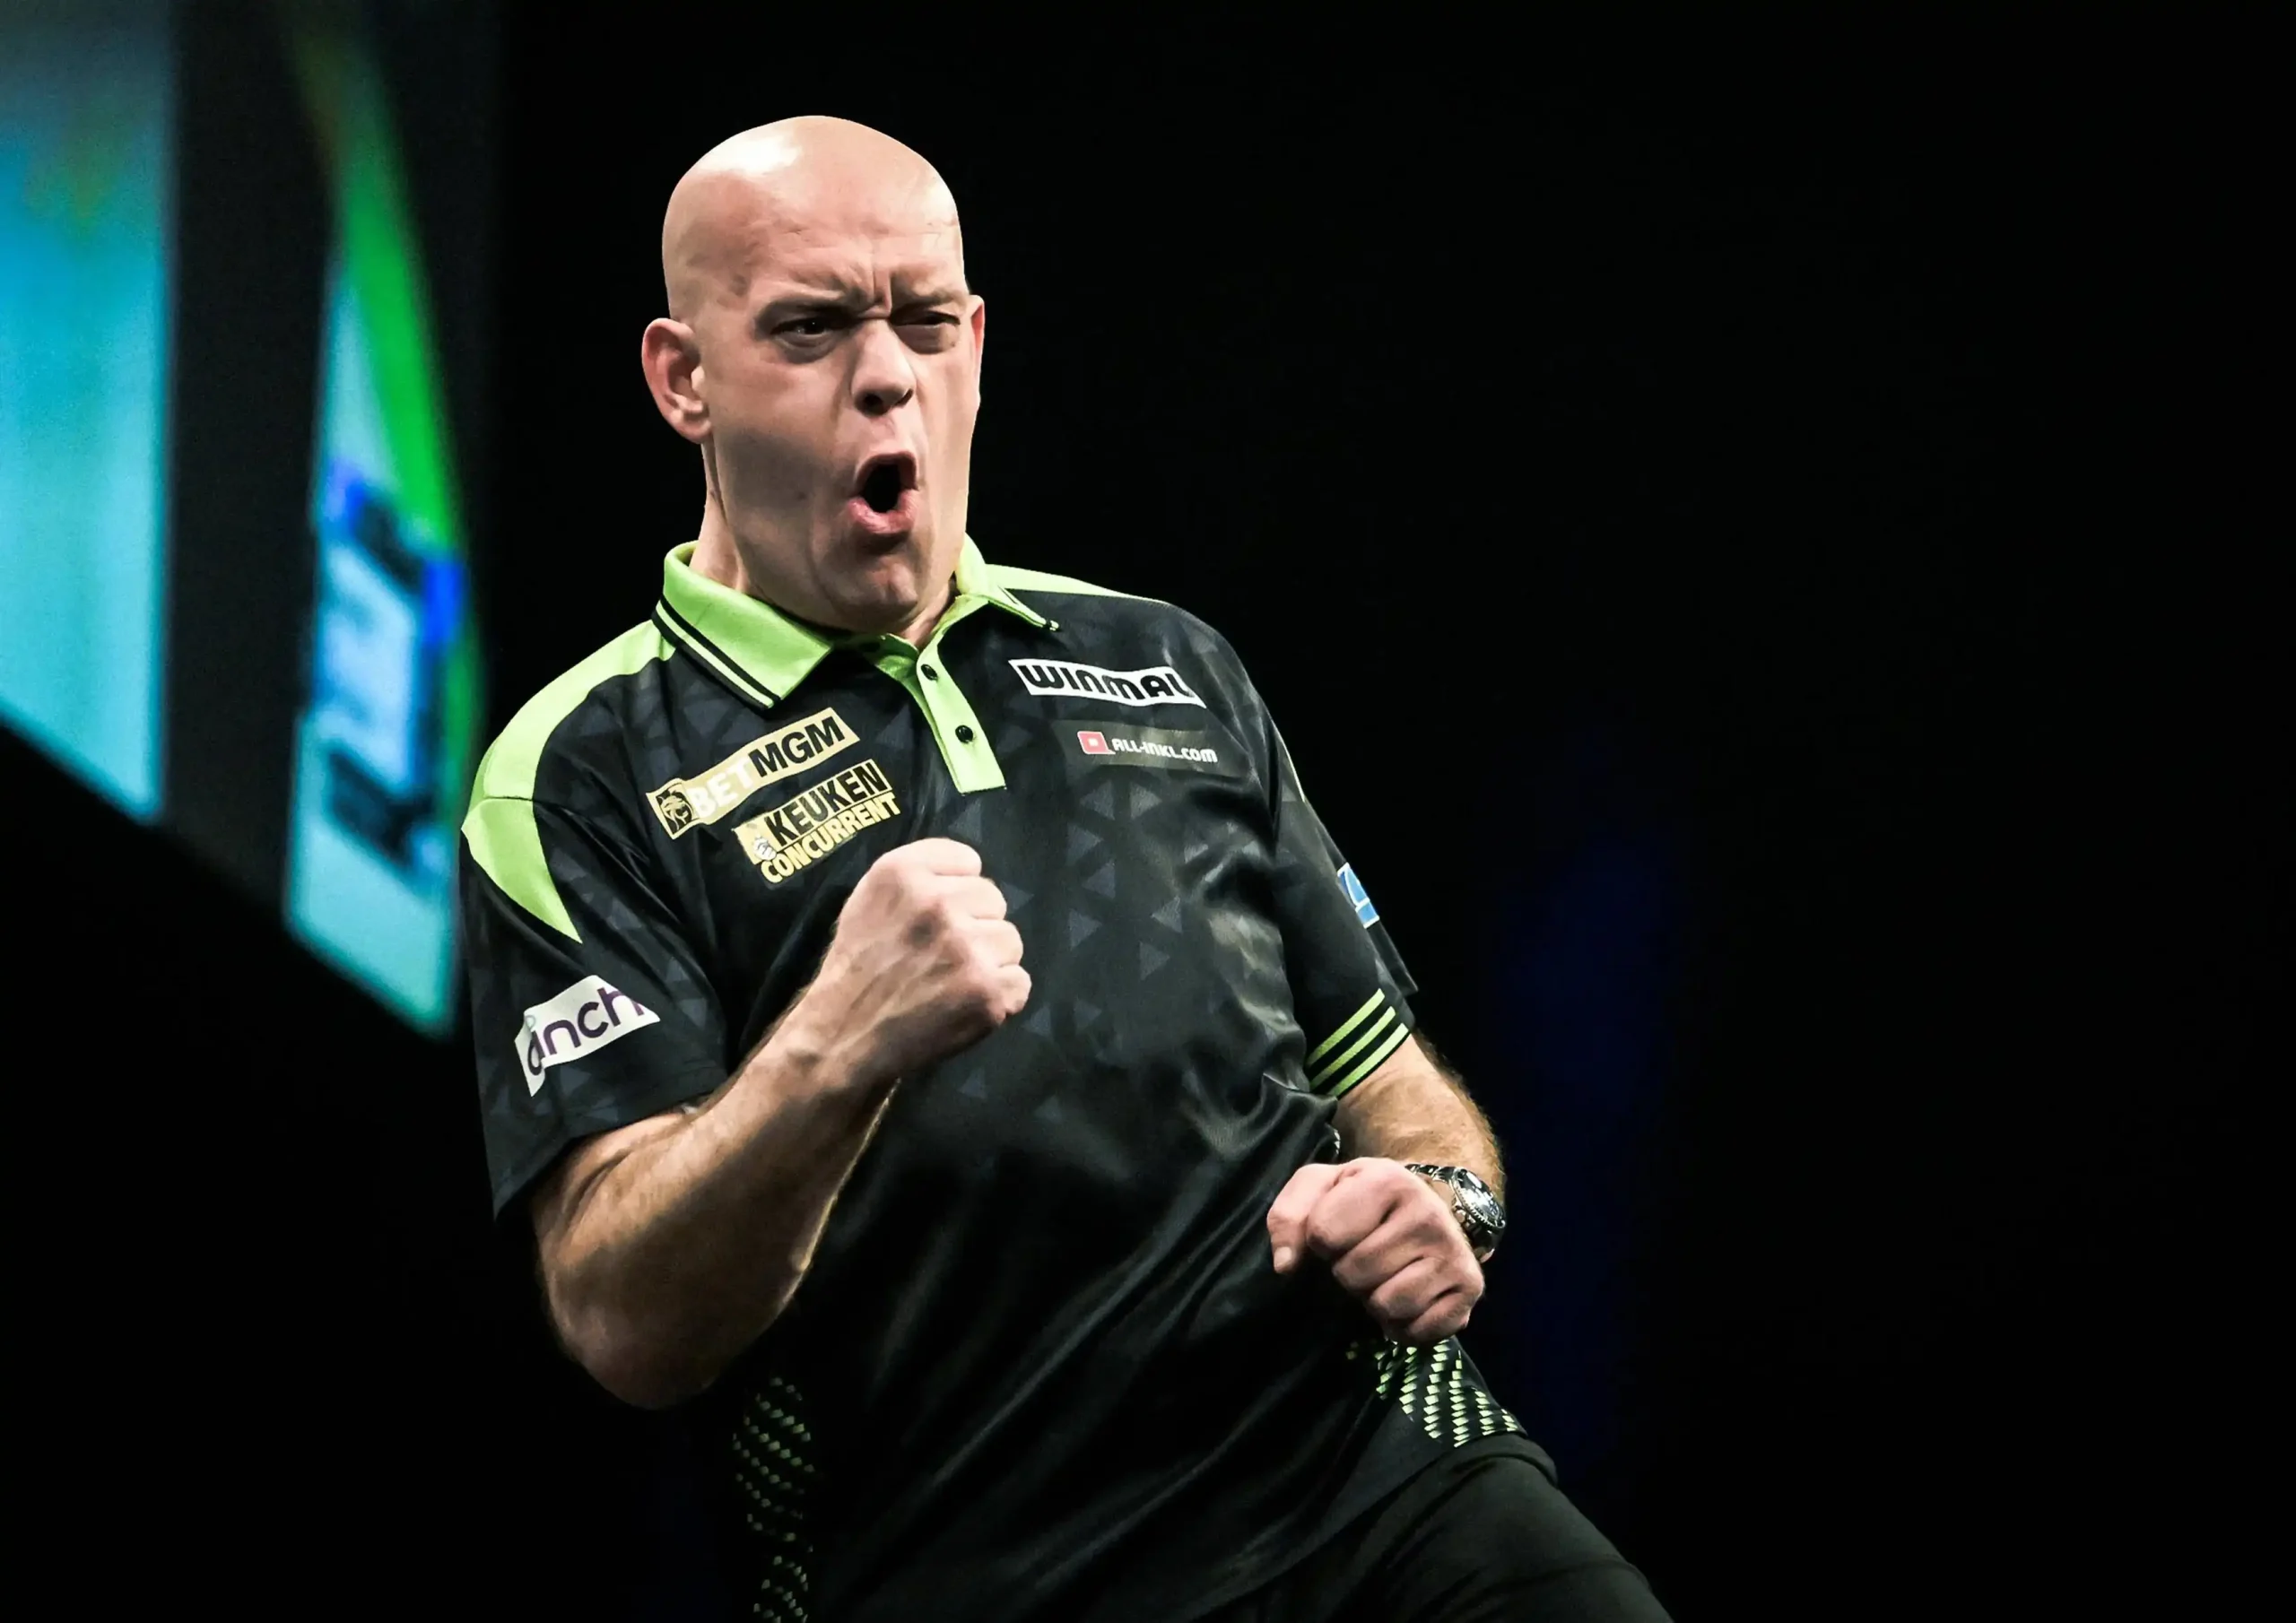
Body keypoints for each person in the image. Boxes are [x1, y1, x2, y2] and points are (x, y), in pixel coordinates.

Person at [461, 115, 1668, 1623]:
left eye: (924, 321)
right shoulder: (578, 770)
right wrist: (839, 1041)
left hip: (1369, 1468)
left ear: (975, 345)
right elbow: (622, 1315)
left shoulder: (1167, 660)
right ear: (681, 378)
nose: (886, 373)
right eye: (812, 328)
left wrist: (1440, 1200)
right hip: (977, 1555)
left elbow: (1394, 1079)